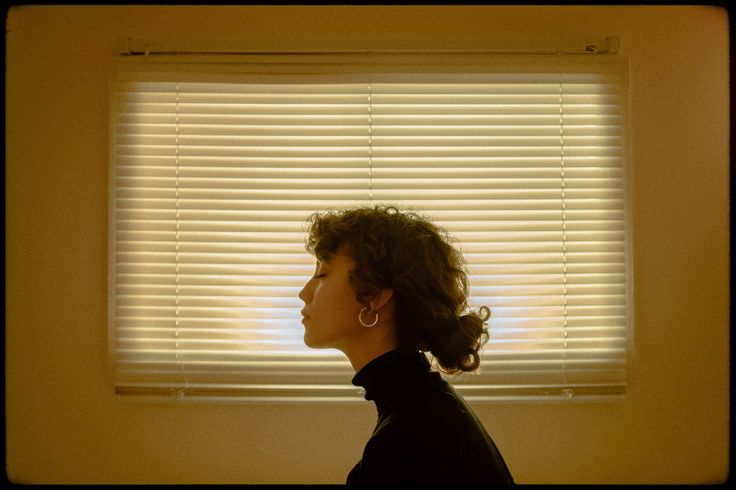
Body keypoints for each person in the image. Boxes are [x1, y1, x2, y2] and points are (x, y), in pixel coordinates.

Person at [298, 204, 514, 484]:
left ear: (374, 297)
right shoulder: (424, 408)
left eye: (322, 275)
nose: (304, 293)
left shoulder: (410, 437)